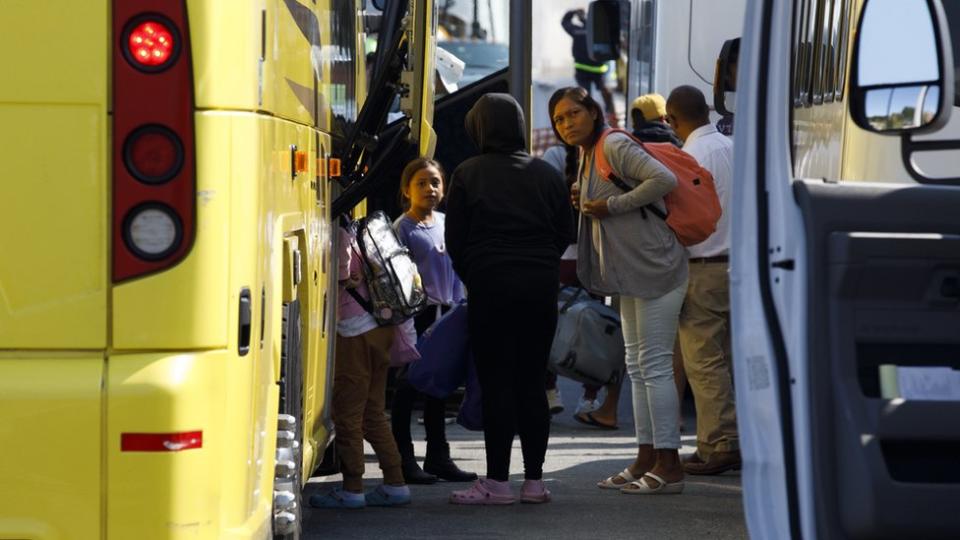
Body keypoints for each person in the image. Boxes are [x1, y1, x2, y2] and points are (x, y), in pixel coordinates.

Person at [550, 86, 688, 494]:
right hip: (630, 272)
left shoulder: (611, 143)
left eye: (573, 114)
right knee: (640, 366)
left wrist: (611, 206)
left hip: (657, 268)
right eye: (559, 119)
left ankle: (671, 466)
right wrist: (587, 198)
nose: (566, 124)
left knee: (656, 366)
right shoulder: (588, 153)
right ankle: (646, 458)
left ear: (593, 112)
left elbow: (664, 179)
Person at [445, 93, 574, 504]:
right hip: (539, 286)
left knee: (496, 380)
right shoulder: (546, 174)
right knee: (532, 382)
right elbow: (563, 233)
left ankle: (497, 483)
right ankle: (534, 482)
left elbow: (456, 242)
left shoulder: (468, 172)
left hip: (491, 285)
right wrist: (537, 265)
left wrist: (479, 273)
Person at [309, 218, 411, 509]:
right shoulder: (360, 230)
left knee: (348, 414)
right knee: (373, 412)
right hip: (381, 327)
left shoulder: (339, 235)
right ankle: (395, 482)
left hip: (354, 331)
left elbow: (342, 279)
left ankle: (352, 487)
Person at [665, 85, 740, 475]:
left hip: (702, 267)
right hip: (738, 266)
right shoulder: (732, 147)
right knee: (728, 359)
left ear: (672, 120)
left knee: (704, 361)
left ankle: (718, 445)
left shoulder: (687, 157)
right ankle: (733, 438)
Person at [390, 157, 477, 484]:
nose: (430, 189)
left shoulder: (447, 221)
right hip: (417, 315)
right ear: (406, 189)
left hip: (450, 313)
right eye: (422, 183)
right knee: (407, 388)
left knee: (439, 387)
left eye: (436, 182)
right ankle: (403, 458)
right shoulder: (403, 228)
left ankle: (438, 457)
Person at [561, 9, 618, 126]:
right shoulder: (598, 30)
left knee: (584, 97)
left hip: (582, 71)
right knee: (606, 94)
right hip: (599, 71)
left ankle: (589, 120)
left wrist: (573, 12)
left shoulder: (577, 31)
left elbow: (565, 22)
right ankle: (612, 116)